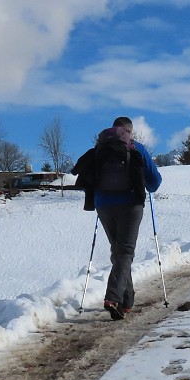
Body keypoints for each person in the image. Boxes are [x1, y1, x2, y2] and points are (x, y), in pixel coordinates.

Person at [71, 116, 162, 320]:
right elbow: (155, 183)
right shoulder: (136, 148)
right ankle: (113, 297)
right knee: (125, 252)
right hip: (130, 204)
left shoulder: (101, 149)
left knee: (119, 252)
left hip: (104, 204)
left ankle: (126, 301)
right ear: (130, 131)